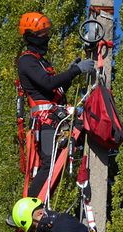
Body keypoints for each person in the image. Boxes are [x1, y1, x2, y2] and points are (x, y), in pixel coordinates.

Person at [17, 11, 95, 197]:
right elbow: (48, 83)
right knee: (49, 163)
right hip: (46, 121)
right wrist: (75, 71)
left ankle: (41, 203)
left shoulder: (40, 62)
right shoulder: (27, 61)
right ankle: (28, 206)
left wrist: (69, 73)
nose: (47, 38)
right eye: (43, 34)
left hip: (53, 118)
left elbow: (55, 92)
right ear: (31, 36)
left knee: (55, 165)